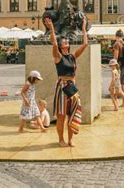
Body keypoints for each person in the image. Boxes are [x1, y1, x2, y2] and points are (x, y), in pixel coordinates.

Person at [45, 16, 87, 147]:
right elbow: (53, 43)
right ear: (61, 44)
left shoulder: (72, 56)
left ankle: (70, 139)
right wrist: (51, 28)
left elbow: (85, 44)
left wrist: (84, 29)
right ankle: (61, 139)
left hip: (72, 87)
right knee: (62, 116)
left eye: (67, 40)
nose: (66, 41)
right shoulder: (58, 57)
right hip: (62, 87)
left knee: (72, 114)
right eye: (63, 40)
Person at [113, 29, 124, 104]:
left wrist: (114, 66)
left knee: (116, 85)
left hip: (119, 65)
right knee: (123, 84)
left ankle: (116, 104)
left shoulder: (116, 44)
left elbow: (116, 57)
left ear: (116, 36)